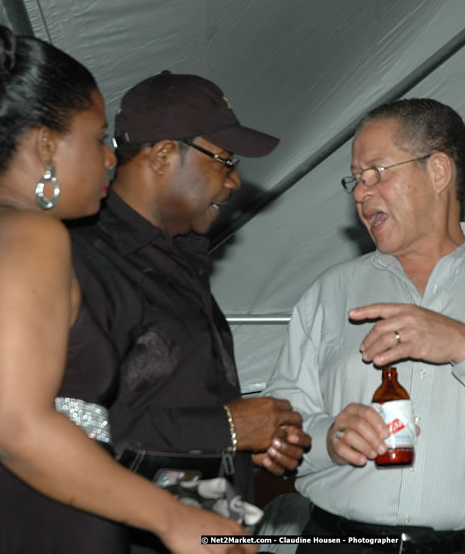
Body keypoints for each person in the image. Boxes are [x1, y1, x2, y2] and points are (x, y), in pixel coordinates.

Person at [0, 14, 254, 554]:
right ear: (46, 146)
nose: (111, 157)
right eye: (96, 138)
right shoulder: (30, 236)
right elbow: (17, 428)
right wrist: (172, 519)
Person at [263, 98, 465, 553]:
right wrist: (328, 439)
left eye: (377, 172)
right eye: (356, 179)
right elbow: (277, 426)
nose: (361, 193)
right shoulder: (330, 291)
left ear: (438, 172)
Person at [68, 72, 312, 553]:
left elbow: (158, 410)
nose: (236, 179)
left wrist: (244, 443)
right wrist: (224, 428)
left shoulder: (180, 260)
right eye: (225, 160)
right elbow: (68, 424)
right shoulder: (82, 261)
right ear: (162, 155)